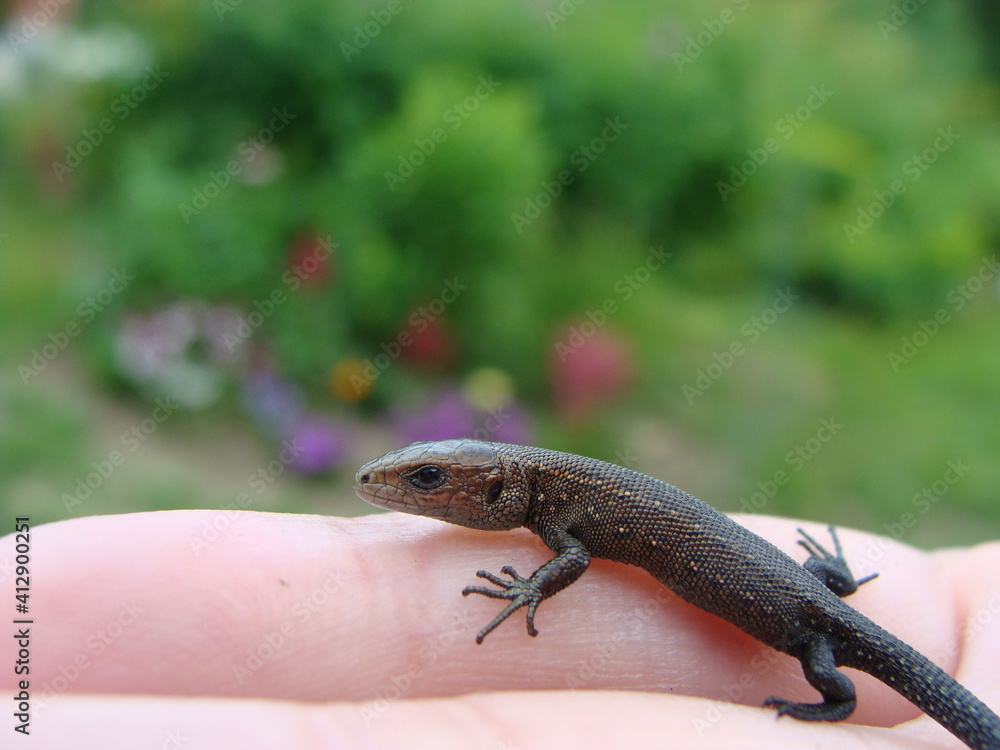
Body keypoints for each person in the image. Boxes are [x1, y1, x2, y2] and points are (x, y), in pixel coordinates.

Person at [2, 509, 998, 749]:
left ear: (493, 486)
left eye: (430, 482)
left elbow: (567, 559)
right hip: (814, 600)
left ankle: (826, 703)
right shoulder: (554, 497)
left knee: (833, 672)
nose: (410, 497)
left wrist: (526, 596)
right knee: (826, 623)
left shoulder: (558, 516)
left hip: (813, 624)